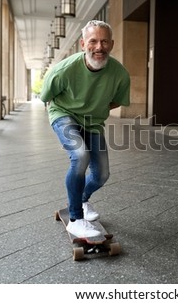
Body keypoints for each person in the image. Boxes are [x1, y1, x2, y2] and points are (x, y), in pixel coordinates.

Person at [41, 20, 130, 238]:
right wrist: (67, 116)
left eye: (104, 41)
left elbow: (116, 101)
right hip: (64, 115)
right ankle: (75, 219)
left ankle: (82, 199)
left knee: (102, 175)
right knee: (80, 156)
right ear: (83, 44)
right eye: (93, 41)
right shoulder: (63, 70)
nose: (99, 47)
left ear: (112, 44)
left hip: (93, 121)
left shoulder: (119, 74)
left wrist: (93, 109)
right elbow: (47, 98)